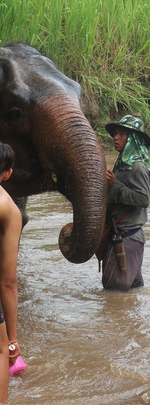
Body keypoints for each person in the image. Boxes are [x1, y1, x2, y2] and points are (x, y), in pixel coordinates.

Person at [102, 115, 150, 291]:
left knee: (114, 295)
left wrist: (114, 184)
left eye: (121, 134)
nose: (115, 138)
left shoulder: (137, 167)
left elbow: (143, 199)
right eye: (115, 133)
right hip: (127, 238)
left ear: (132, 139)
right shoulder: (123, 164)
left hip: (125, 239)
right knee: (130, 295)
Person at [0, 143, 21, 402]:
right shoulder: (9, 207)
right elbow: (8, 282)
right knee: (1, 349)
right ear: (8, 174)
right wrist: (13, 340)